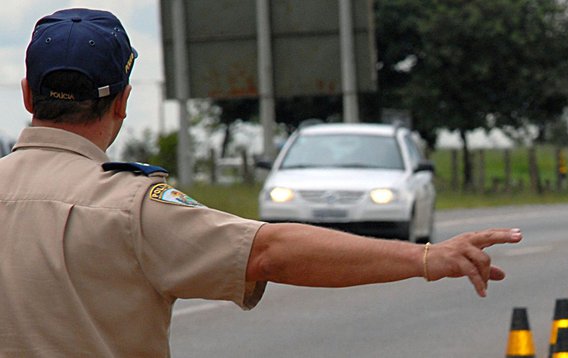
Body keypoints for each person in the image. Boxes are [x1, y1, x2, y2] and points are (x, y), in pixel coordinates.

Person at [0, 8, 522, 357]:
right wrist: (427, 258)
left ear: (26, 94)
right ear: (123, 100)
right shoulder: (131, 206)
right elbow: (269, 251)